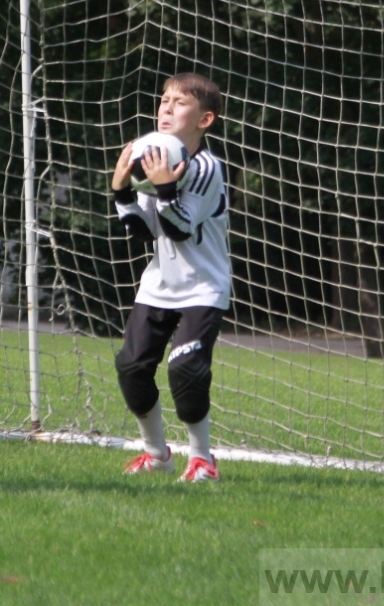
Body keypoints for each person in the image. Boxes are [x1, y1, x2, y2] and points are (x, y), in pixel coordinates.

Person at [110, 73, 230, 482]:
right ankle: (157, 455)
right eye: (163, 100)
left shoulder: (206, 167)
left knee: (185, 369)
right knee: (131, 367)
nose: (166, 108)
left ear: (205, 119)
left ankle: (202, 460)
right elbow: (146, 232)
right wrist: (123, 192)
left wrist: (164, 189)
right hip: (159, 284)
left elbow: (179, 226)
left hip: (203, 286)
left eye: (179, 103)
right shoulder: (154, 157)